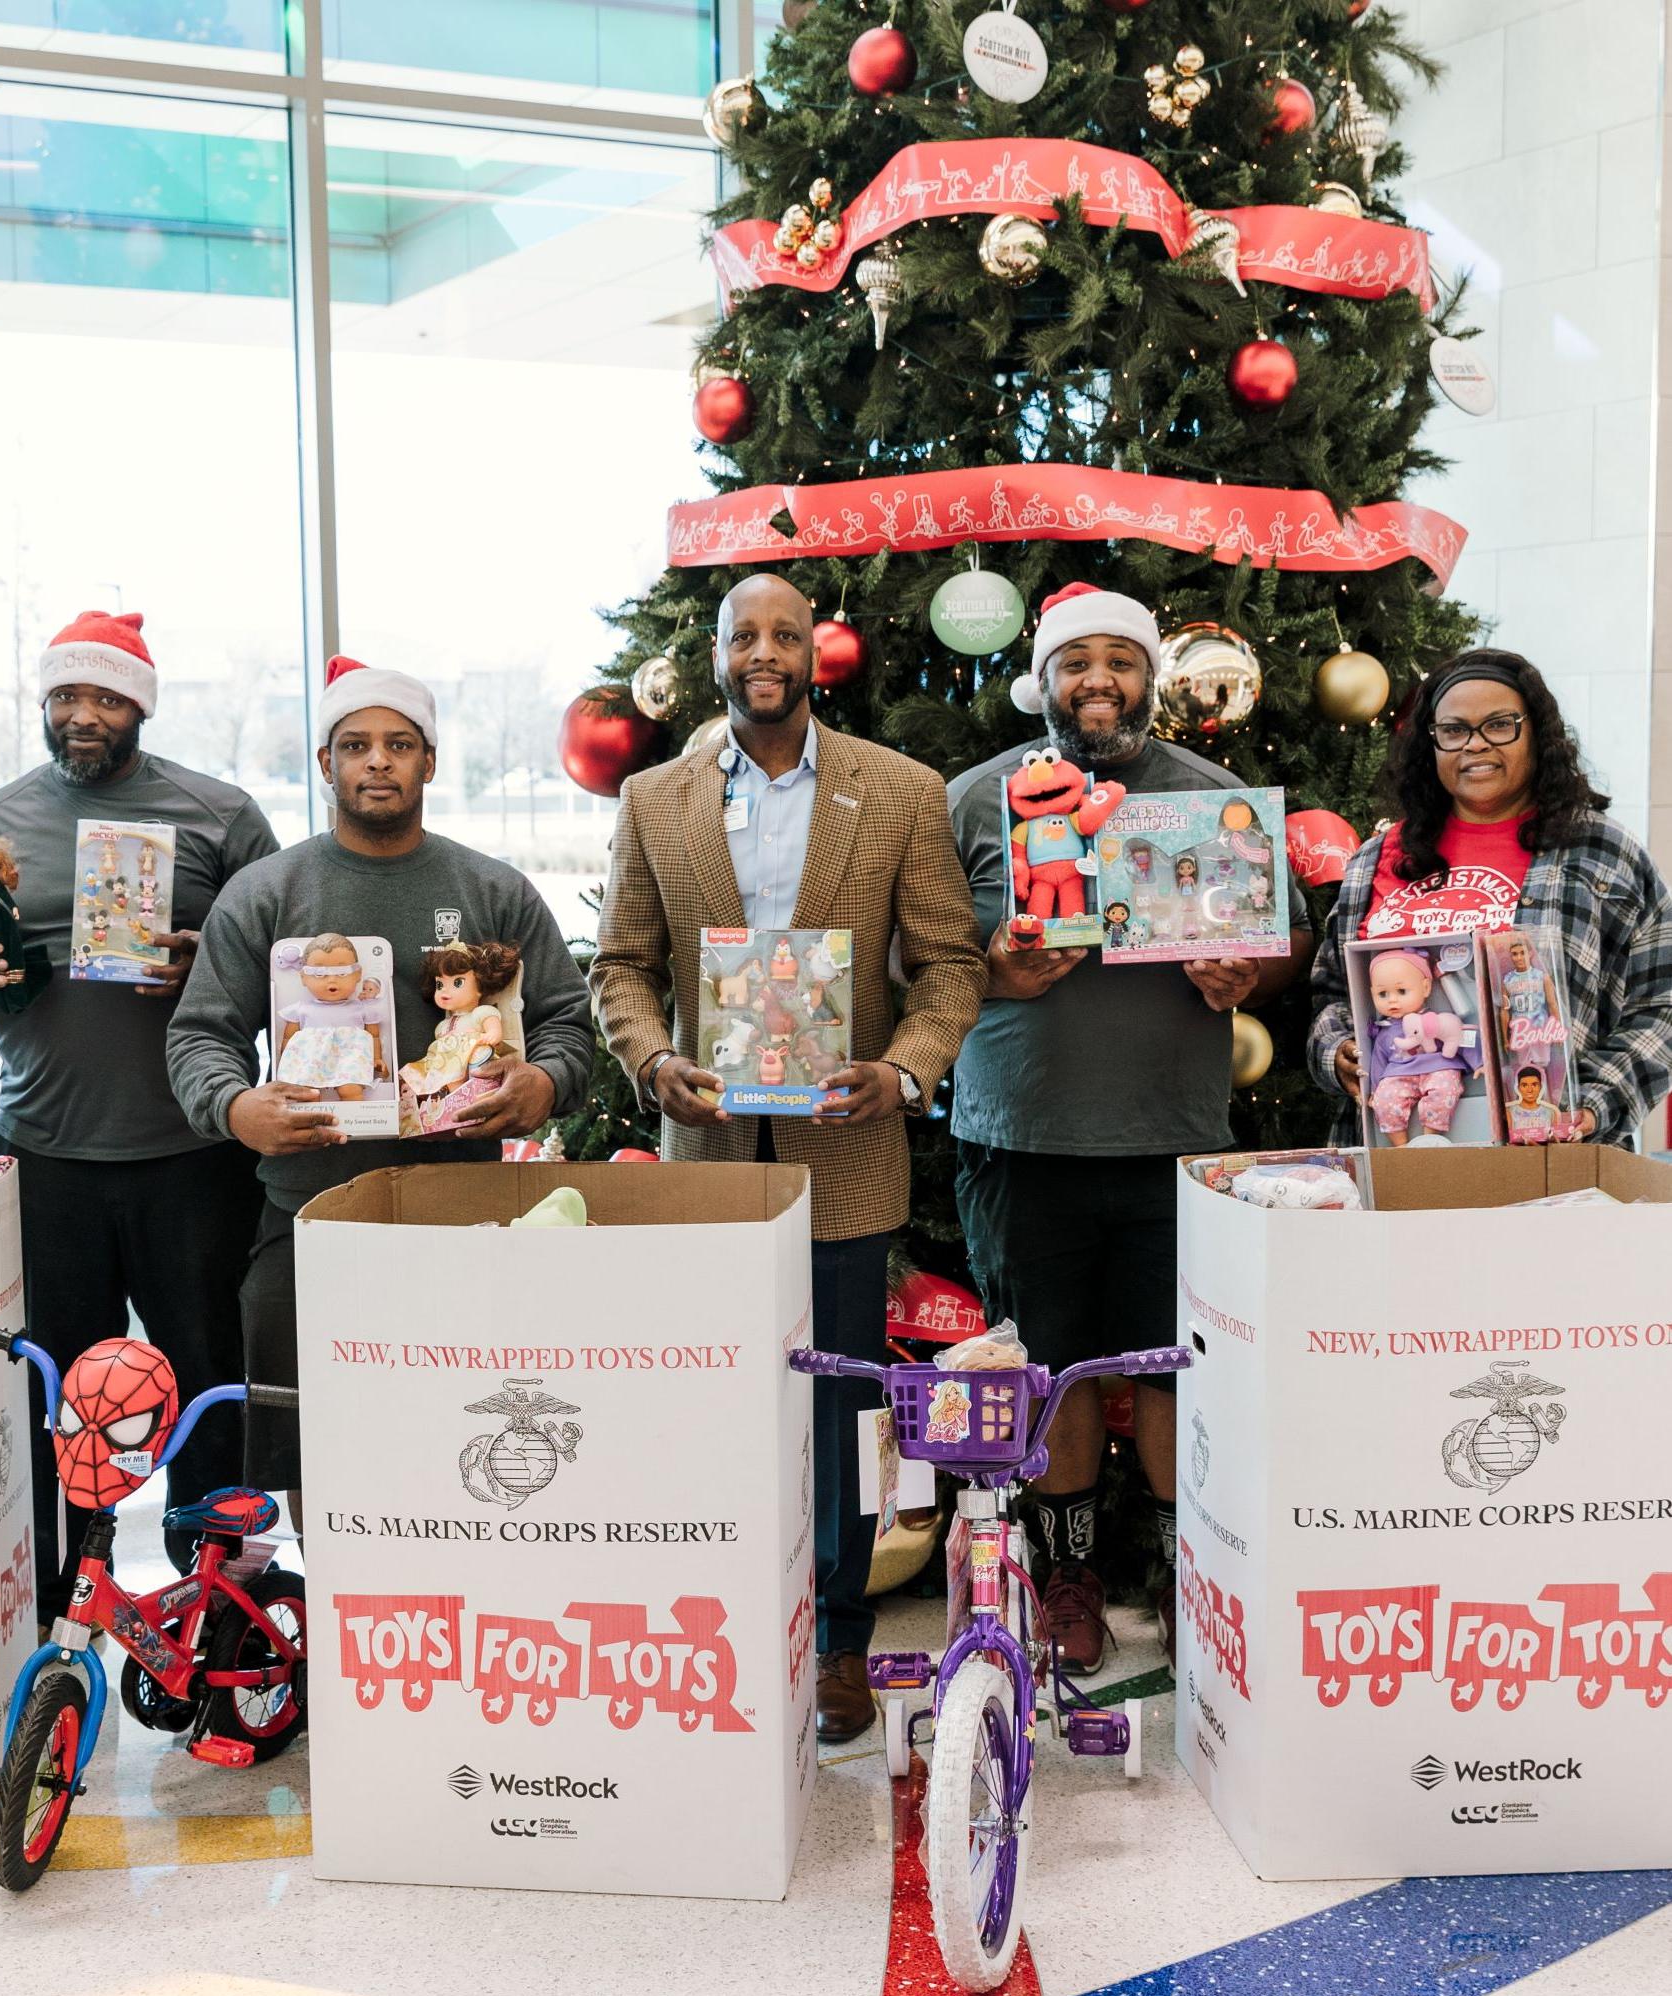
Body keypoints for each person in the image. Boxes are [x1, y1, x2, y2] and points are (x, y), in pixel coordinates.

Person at [590, 572, 985, 1744]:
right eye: (742, 633)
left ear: (818, 654)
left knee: (847, 1403)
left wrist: (906, 1071)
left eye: (785, 634)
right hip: (711, 1150)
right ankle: (722, 1618)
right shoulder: (655, 798)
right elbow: (621, 962)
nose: (764, 651)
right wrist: (655, 1060)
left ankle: (843, 1640)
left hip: (846, 1148)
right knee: (716, 1397)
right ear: (712, 652)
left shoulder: (899, 792)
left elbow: (951, 963)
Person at [947, 584, 1314, 1672]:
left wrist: (1248, 965)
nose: (1096, 679)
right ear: (1043, 679)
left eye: (1118, 658)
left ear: (1150, 675)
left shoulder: (1217, 802)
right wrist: (989, 972)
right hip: (1020, 1134)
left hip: (1173, 1136)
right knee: (1047, 1365)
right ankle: (1067, 1574)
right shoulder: (980, 800)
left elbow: (1285, 939)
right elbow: (907, 963)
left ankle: (1172, 1559)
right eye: (1074, 661)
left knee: (1170, 1366)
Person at [167, 657, 596, 1524]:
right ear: (324, 763)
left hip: (467, 1212)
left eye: (399, 744)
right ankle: (336, 1615)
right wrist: (235, 1107)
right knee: (317, 1457)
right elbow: (200, 1035)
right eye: (354, 745)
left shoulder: (491, 890)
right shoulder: (266, 894)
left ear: (429, 763)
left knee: (464, 1438)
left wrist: (543, 1082)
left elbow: (567, 1021)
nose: (377, 762)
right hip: (310, 1214)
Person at [0, 609, 278, 1616]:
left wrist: (209, 956)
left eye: (106, 695)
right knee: (56, 1392)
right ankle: (62, 1581)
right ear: (43, 704)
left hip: (192, 1153)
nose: (84, 714)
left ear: (141, 705)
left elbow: (290, 970)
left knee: (207, 1377)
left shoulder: (220, 814)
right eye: (65, 696)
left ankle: (220, 1590)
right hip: (42, 1157)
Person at [1309, 647, 1672, 1144]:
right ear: (1430, 744)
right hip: (1395, 1164)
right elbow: (1332, 992)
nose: (1475, 746)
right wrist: (1340, 1052)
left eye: (1499, 725)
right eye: (1454, 730)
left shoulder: (1603, 854)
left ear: (1537, 734)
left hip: (1550, 1168)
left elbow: (1662, 1005)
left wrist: (1592, 1102)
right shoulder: (1378, 857)